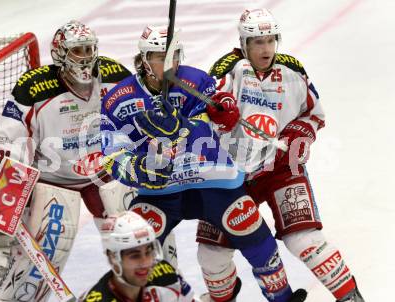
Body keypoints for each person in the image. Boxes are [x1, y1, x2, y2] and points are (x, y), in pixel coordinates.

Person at [100, 25, 307, 302]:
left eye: (173, 56)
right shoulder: (117, 99)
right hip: (160, 190)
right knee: (138, 246)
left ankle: (282, 297)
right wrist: (139, 170)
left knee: (255, 237)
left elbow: (215, 127)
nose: (169, 64)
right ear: (144, 59)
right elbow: (111, 155)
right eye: (160, 57)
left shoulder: (197, 81)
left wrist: (183, 125)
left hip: (214, 180)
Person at [196, 8, 364, 302]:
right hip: (231, 176)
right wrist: (218, 114)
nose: (266, 48)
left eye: (271, 40)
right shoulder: (227, 69)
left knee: (305, 240)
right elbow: (203, 113)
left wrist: (297, 131)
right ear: (244, 43)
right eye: (258, 42)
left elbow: (314, 114)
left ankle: (351, 297)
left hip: (280, 168)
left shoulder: (293, 70)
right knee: (211, 253)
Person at [0, 20, 133, 302]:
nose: (87, 56)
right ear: (61, 54)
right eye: (78, 50)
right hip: (54, 181)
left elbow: (136, 115)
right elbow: (7, 139)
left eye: (90, 48)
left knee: (135, 237)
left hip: (104, 174)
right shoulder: (35, 87)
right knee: (48, 251)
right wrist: (10, 190)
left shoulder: (113, 74)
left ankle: (148, 291)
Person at [79, 211, 195, 302]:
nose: (145, 263)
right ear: (112, 258)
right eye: (135, 256)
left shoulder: (165, 275)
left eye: (148, 252)